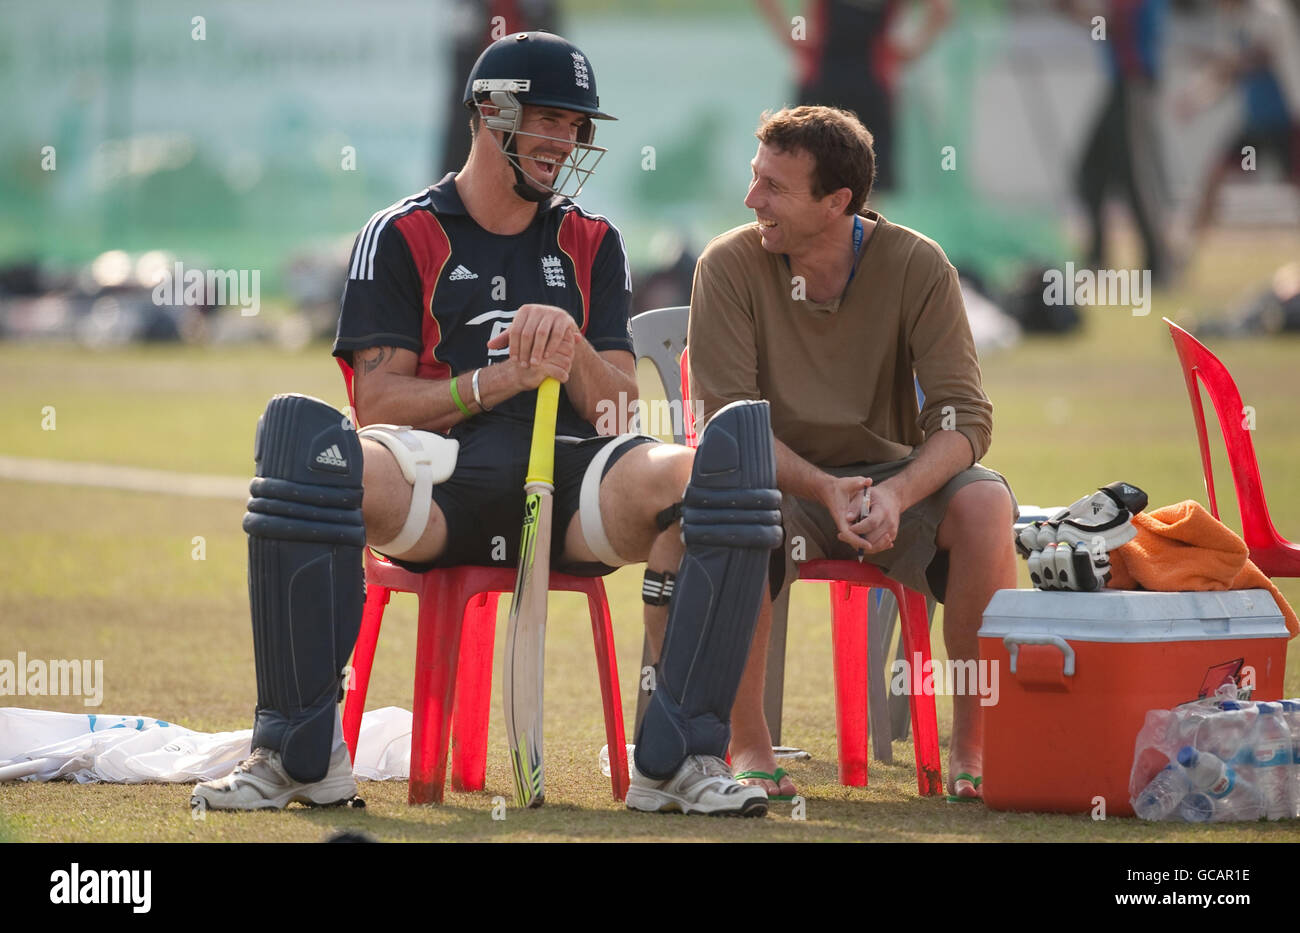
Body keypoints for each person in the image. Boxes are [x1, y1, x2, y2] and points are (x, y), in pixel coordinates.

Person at [192, 32, 781, 818]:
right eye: (547, 119)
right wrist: (496, 380)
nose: (565, 141)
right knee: (306, 440)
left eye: (576, 126)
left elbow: (617, 412)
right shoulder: (402, 233)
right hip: (434, 480)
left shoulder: (593, 241)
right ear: (488, 113)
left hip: (574, 488)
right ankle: (300, 751)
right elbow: (377, 403)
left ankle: (680, 755)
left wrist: (569, 350)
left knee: (725, 462)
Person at [687, 105, 1019, 801]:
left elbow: (964, 417)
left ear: (837, 201)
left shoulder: (919, 264)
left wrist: (898, 493)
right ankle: (749, 744)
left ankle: (976, 742)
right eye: (755, 178)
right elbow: (729, 424)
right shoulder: (727, 264)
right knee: (744, 502)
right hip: (779, 481)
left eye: (774, 188)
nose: (752, 200)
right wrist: (820, 486)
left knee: (988, 502)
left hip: (893, 482)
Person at [754, 0, 952, 194]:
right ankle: (858, 226)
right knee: (867, 185)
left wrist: (791, 37)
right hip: (870, 84)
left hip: (823, 80)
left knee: (806, 178)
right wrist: (910, 51)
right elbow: (941, 10)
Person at [1064, 0, 1175, 285]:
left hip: (1134, 85)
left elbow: (1113, 25)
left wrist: (1071, 10)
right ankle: (1098, 259)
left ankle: (1160, 264)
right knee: (1091, 170)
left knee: (1137, 178)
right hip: (1119, 86)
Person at [1177, 0, 1300, 242]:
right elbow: (1228, 74)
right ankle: (1187, 249)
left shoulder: (1270, 12)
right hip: (1254, 123)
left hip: (1286, 120)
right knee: (1215, 176)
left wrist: (1216, 61)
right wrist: (1197, 100)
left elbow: (1258, 58)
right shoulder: (1232, 22)